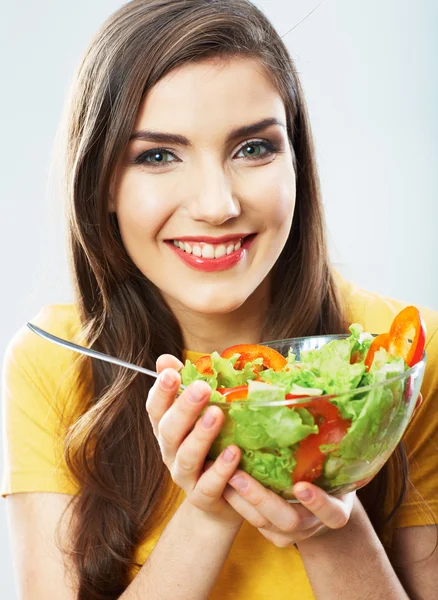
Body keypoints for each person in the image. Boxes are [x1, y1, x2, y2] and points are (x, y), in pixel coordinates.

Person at [2, 1, 437, 598]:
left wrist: (328, 515)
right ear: (101, 182)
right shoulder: (55, 362)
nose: (217, 205)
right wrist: (209, 509)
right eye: (157, 156)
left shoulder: (401, 358)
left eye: (253, 149)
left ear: (296, 163)